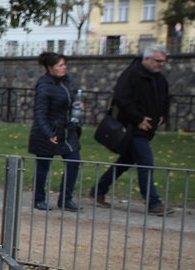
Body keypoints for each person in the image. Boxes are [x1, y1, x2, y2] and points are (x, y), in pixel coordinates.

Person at [92, 46, 171, 215]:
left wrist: (163, 115)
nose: (161, 64)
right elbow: (121, 98)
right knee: (146, 162)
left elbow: (164, 98)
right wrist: (139, 119)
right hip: (132, 128)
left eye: (163, 61)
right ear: (146, 59)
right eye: (158, 61)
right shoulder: (132, 74)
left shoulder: (159, 78)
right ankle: (153, 203)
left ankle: (98, 190)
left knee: (124, 162)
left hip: (146, 128)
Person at [29, 52, 82, 212]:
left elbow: (71, 99)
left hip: (67, 130)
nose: (64, 68)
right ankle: (39, 199)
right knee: (43, 166)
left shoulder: (67, 82)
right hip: (48, 131)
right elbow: (40, 112)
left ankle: (66, 199)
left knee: (74, 161)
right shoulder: (44, 85)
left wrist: (76, 105)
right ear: (50, 67)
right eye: (60, 65)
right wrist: (48, 133)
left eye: (65, 65)